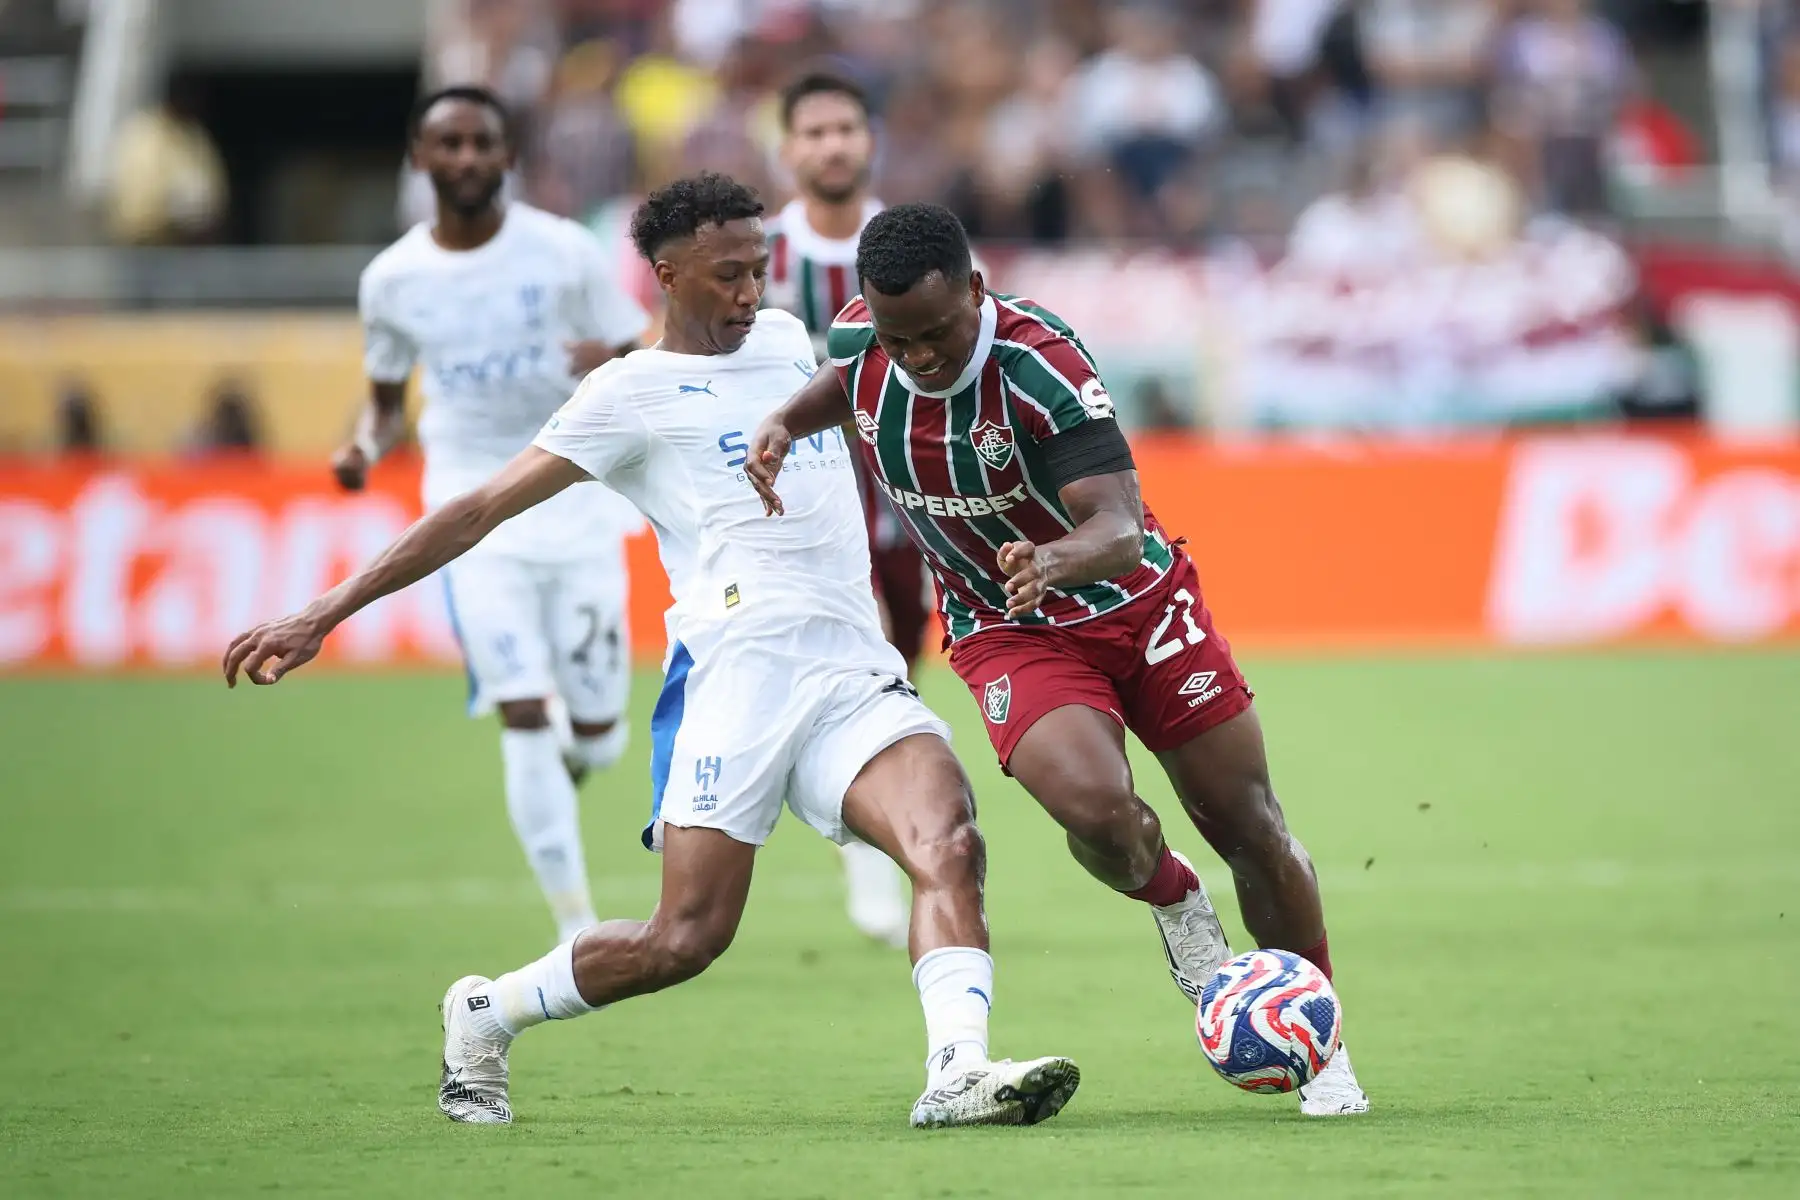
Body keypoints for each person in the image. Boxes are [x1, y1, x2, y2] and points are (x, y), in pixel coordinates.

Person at [221, 173, 1081, 1131]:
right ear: (667, 277)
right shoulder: (627, 394)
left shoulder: (792, 344)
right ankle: (488, 1011)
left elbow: (917, 391)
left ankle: (958, 1071)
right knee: (685, 938)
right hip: (736, 684)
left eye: (758, 270)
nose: (750, 293)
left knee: (949, 842)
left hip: (850, 671)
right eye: (727, 276)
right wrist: (323, 612)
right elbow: (475, 510)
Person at [747, 203, 1370, 1117]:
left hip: (1138, 608)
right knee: (1097, 812)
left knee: (1249, 825)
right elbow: (849, 382)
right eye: (898, 338)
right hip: (1009, 625)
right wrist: (783, 422)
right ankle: (1177, 900)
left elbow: (1117, 525)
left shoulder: (1041, 368)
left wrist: (1050, 561)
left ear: (975, 289)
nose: (919, 357)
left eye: (936, 333)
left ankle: (1322, 1052)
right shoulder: (865, 340)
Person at [335, 86, 648, 945]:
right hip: (470, 509)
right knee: (522, 708)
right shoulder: (391, 279)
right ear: (420, 157)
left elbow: (645, 352)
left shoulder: (565, 250)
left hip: (574, 493)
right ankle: (576, 927)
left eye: (482, 143)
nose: (467, 158)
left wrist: (613, 356)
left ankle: (574, 754)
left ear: (509, 156)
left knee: (598, 735)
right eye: (450, 143)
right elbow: (385, 407)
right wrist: (363, 445)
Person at [763, 70, 929, 948]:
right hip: (798, 486)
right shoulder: (759, 255)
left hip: (905, 481)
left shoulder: (917, 243)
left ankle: (863, 804)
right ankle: (869, 844)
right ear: (787, 147)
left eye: (845, 129)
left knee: (901, 646)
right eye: (814, 131)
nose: (831, 145)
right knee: (857, 644)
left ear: (870, 141)